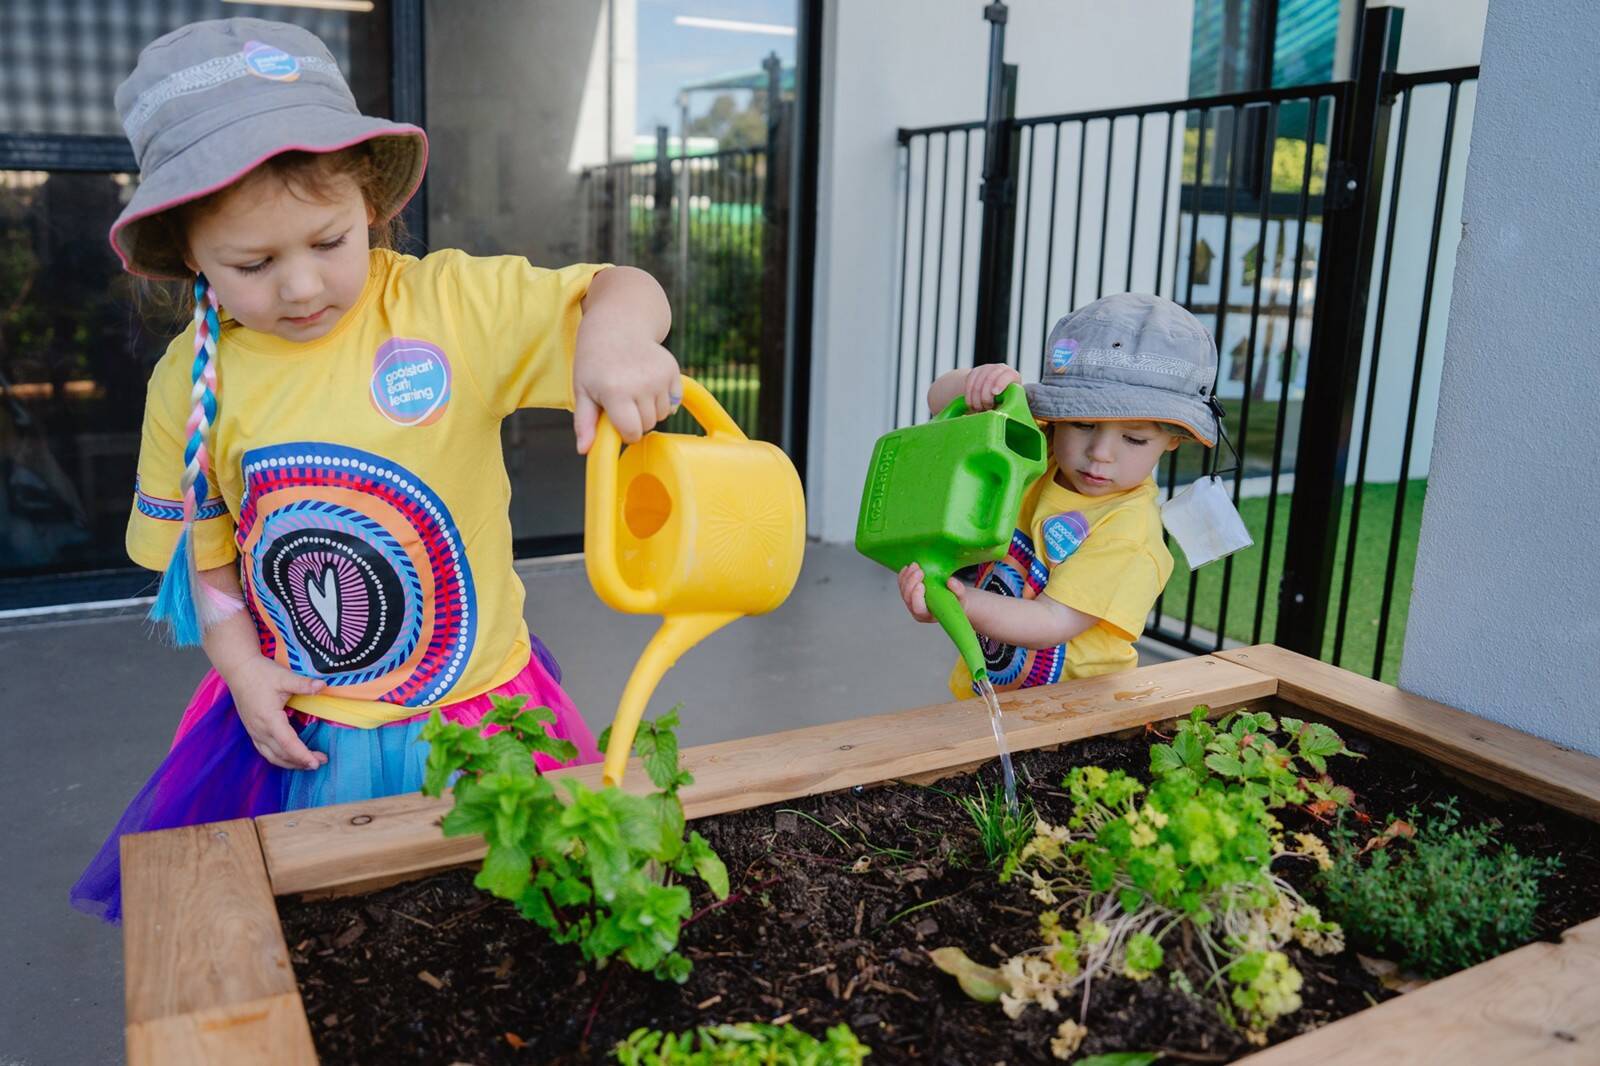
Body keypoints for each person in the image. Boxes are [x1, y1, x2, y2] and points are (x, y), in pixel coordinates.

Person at [72, 18, 681, 922]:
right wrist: (240, 667)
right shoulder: (190, 381)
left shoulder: (446, 306)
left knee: (501, 913)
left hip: (477, 702)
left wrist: (619, 338)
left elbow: (619, 284)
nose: (303, 287)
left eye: (328, 243)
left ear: (370, 208)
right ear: (187, 255)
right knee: (338, 925)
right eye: (253, 263)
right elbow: (209, 564)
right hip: (309, 729)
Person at [897, 293, 1221, 697]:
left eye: (1134, 438)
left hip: (1079, 715)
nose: (1100, 454)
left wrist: (957, 603)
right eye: (1083, 424)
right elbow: (939, 400)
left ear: (1175, 440)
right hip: (992, 692)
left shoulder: (1129, 531)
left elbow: (1050, 622)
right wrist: (977, 383)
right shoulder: (1042, 449)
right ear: (1058, 416)